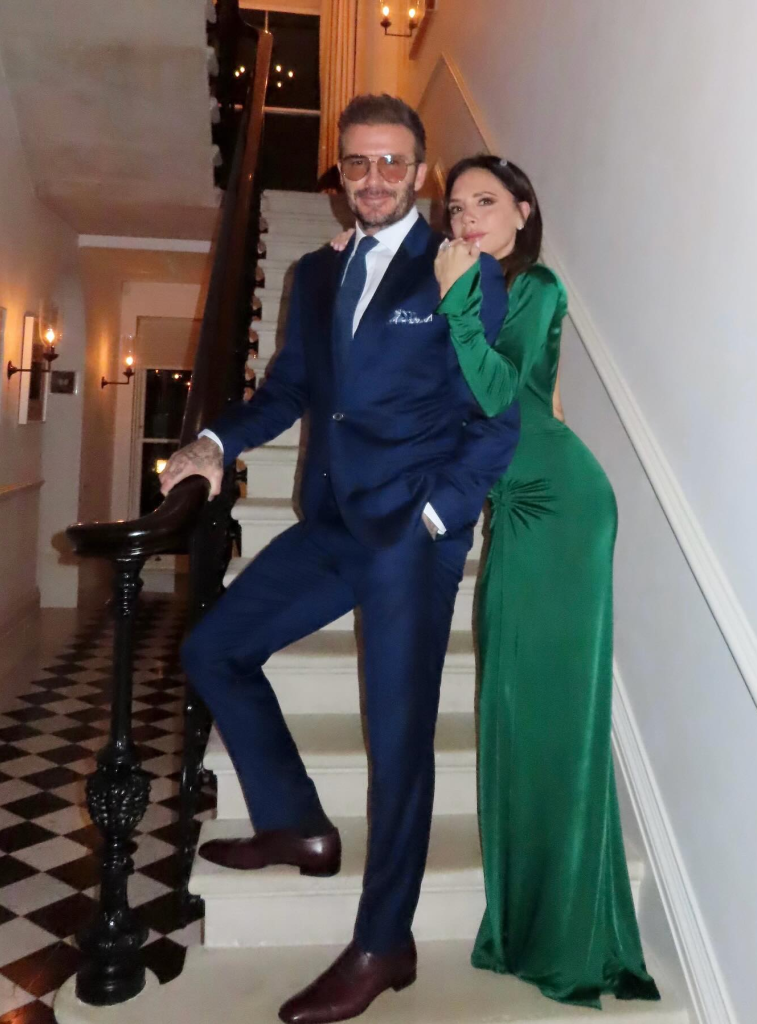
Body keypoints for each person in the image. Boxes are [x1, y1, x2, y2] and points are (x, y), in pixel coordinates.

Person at [159, 97, 519, 1024]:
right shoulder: (315, 278)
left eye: (392, 163)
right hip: (331, 523)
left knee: (399, 741)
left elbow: (496, 420)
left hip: (410, 537)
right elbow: (285, 394)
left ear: (421, 172)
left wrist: (439, 519)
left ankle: (382, 941)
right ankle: (296, 823)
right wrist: (213, 443)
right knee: (216, 648)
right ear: (339, 169)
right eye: (357, 163)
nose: (373, 179)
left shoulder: (459, 270)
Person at [431, 154, 661, 1008]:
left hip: (561, 506)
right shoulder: (473, 290)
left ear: (524, 212)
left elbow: (506, 400)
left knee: (555, 717)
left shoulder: (538, 287)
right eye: (455, 207)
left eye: (484, 203)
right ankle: (530, 921)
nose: (466, 219)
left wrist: (455, 303)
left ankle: (571, 938)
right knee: (512, 709)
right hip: (513, 508)